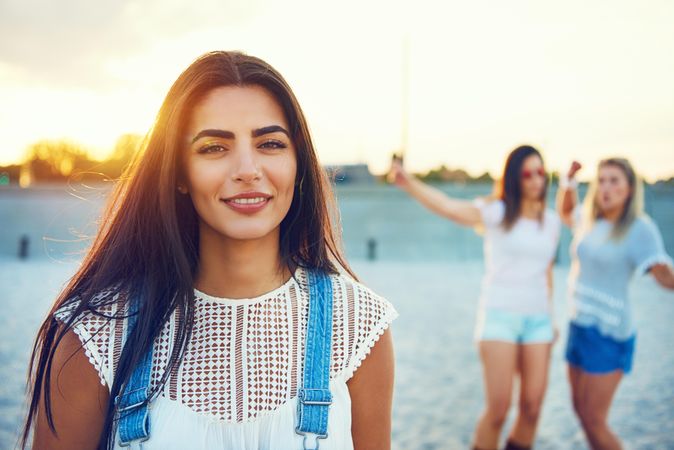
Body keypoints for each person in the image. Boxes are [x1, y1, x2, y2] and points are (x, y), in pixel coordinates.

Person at [22, 51, 398, 450]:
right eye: (214, 148)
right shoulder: (94, 333)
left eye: (270, 143)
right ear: (179, 173)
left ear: (298, 163)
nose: (247, 169)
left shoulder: (359, 326)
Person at [388, 145, 560, 450]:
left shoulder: (551, 223)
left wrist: (551, 315)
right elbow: (448, 206)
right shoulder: (497, 212)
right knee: (498, 409)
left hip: (539, 322)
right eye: (527, 173)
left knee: (532, 407)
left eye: (540, 172)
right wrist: (408, 182)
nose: (535, 179)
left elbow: (545, 271)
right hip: (500, 317)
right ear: (514, 178)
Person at [557, 158, 674, 450]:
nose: (606, 187)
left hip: (609, 333)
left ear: (630, 189)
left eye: (615, 181)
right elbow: (566, 212)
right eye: (603, 180)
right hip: (578, 325)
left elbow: (663, 276)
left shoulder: (639, 228)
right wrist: (568, 181)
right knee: (581, 414)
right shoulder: (588, 217)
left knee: (595, 420)